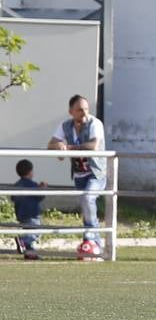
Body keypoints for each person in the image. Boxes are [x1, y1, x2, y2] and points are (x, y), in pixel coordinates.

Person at [47, 94, 106, 243]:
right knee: (85, 206)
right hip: (79, 173)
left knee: (88, 198)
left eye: (86, 109)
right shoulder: (65, 125)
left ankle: (92, 238)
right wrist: (59, 147)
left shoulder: (95, 123)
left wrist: (68, 147)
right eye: (80, 110)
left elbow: (93, 146)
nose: (85, 113)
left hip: (96, 173)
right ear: (71, 112)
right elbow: (50, 144)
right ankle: (91, 241)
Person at [12, 159, 46, 260]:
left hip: (21, 214)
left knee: (28, 231)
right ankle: (23, 241)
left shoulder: (17, 185)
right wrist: (42, 188)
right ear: (30, 172)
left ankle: (29, 252)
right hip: (33, 214)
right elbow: (39, 197)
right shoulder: (33, 185)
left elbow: (13, 197)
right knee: (34, 233)